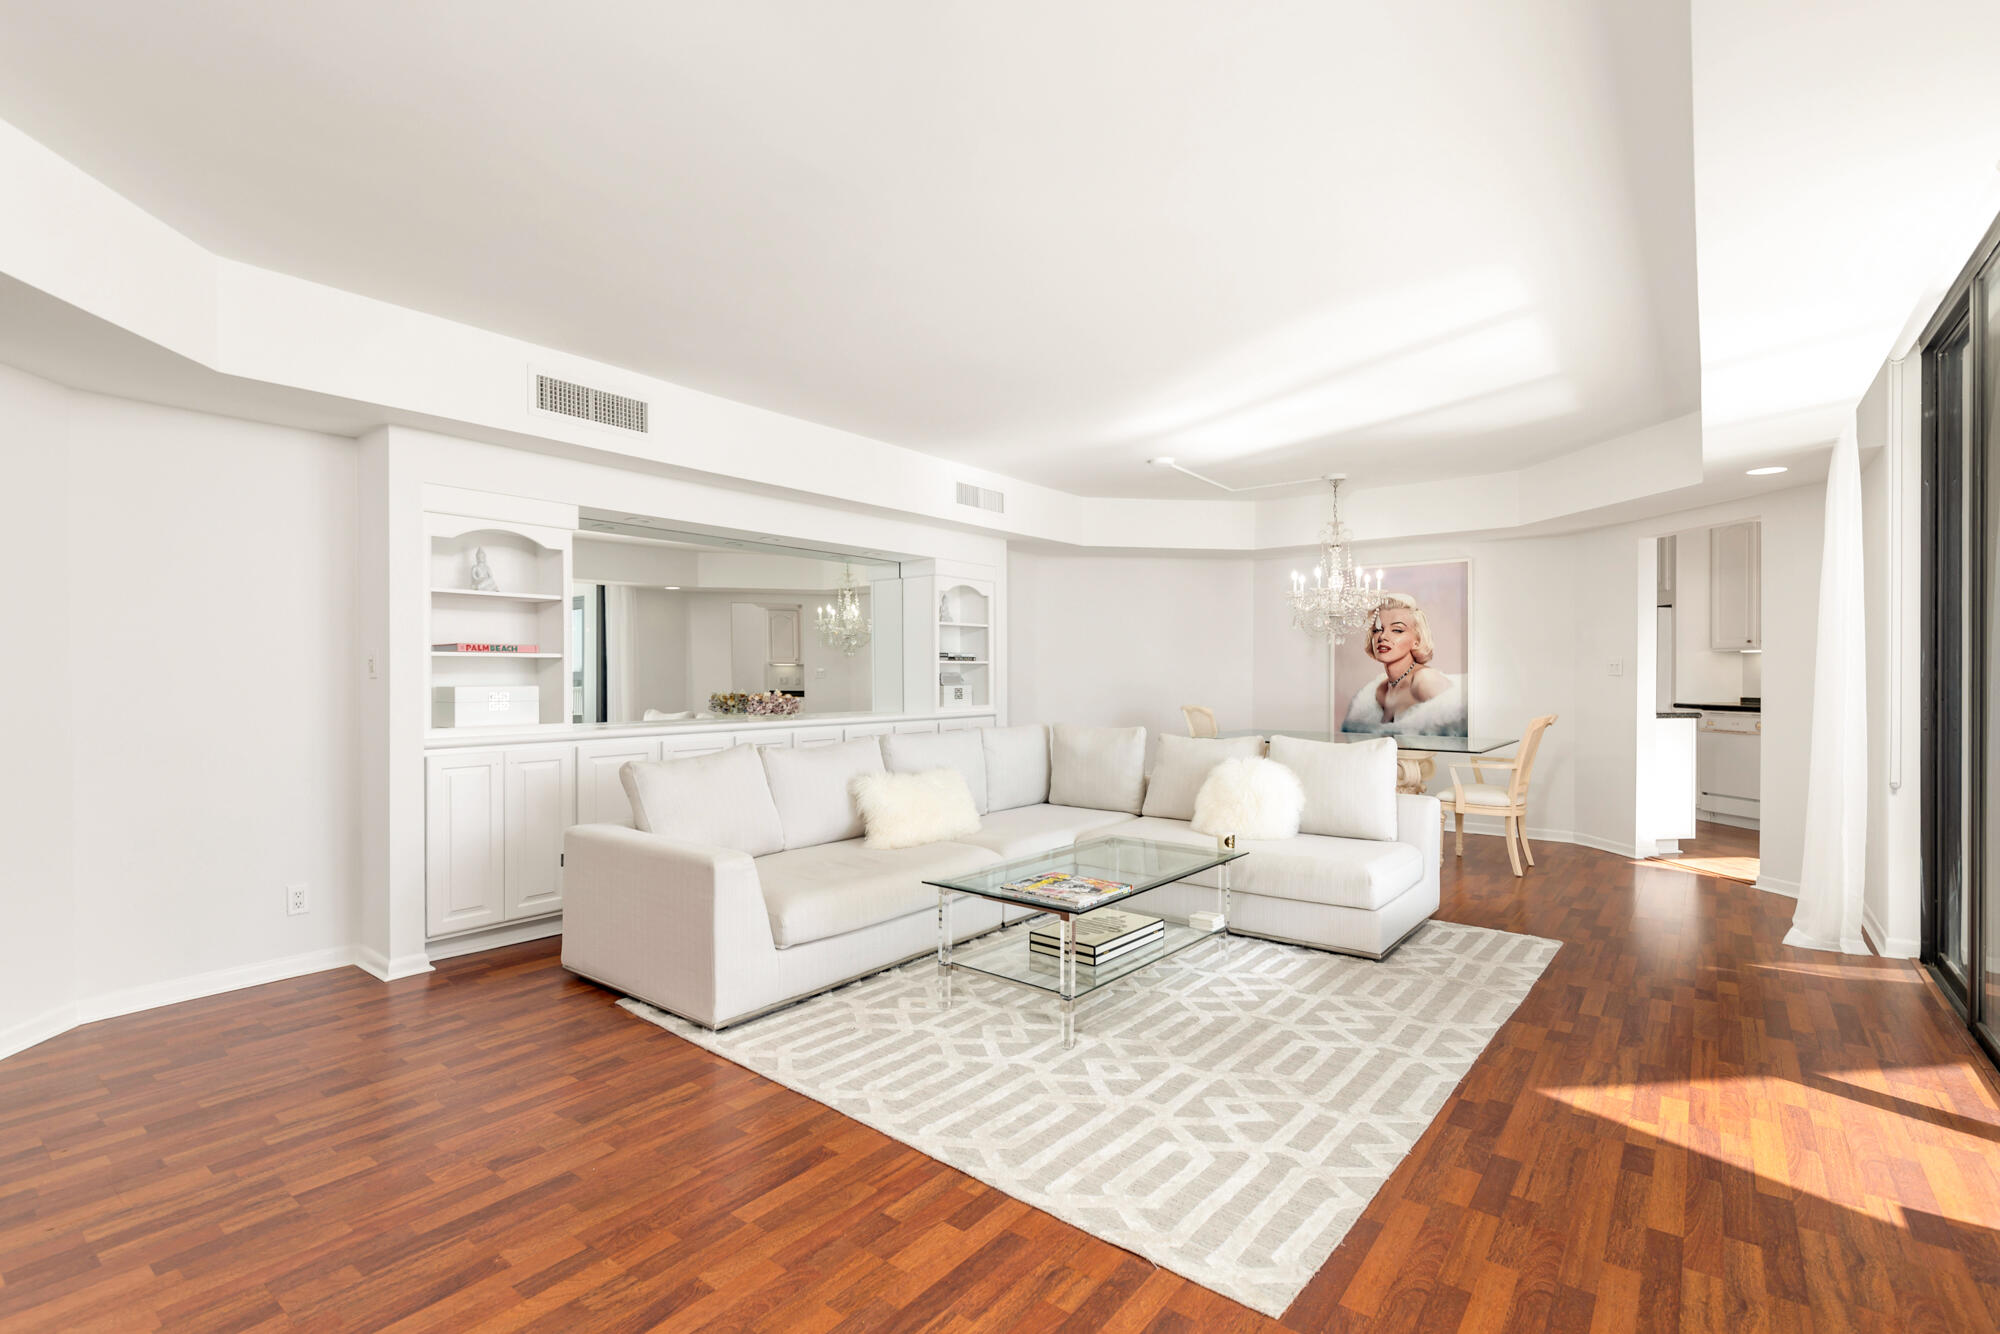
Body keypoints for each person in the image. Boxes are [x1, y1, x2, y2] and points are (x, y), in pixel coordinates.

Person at [1343, 593, 1466, 736]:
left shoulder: (1425, 680)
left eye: (1397, 630)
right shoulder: (1377, 691)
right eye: (1377, 630)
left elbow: (1457, 727)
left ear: (1417, 641)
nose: (1382, 636)